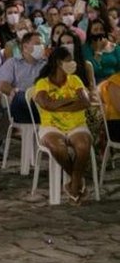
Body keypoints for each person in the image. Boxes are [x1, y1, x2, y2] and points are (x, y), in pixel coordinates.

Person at [33, 47, 93, 204]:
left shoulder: (75, 80)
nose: (73, 63)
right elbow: (45, 103)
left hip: (76, 123)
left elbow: (86, 102)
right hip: (51, 125)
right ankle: (78, 181)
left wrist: (57, 104)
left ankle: (73, 185)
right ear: (59, 63)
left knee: (83, 146)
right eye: (69, 60)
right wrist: (70, 100)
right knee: (58, 147)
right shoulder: (43, 83)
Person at [0, 32, 45, 124]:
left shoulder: (47, 65)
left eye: (42, 44)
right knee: (20, 97)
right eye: (38, 44)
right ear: (25, 47)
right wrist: (14, 91)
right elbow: (3, 85)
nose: (42, 47)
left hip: (43, 102)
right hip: (20, 103)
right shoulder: (12, 63)